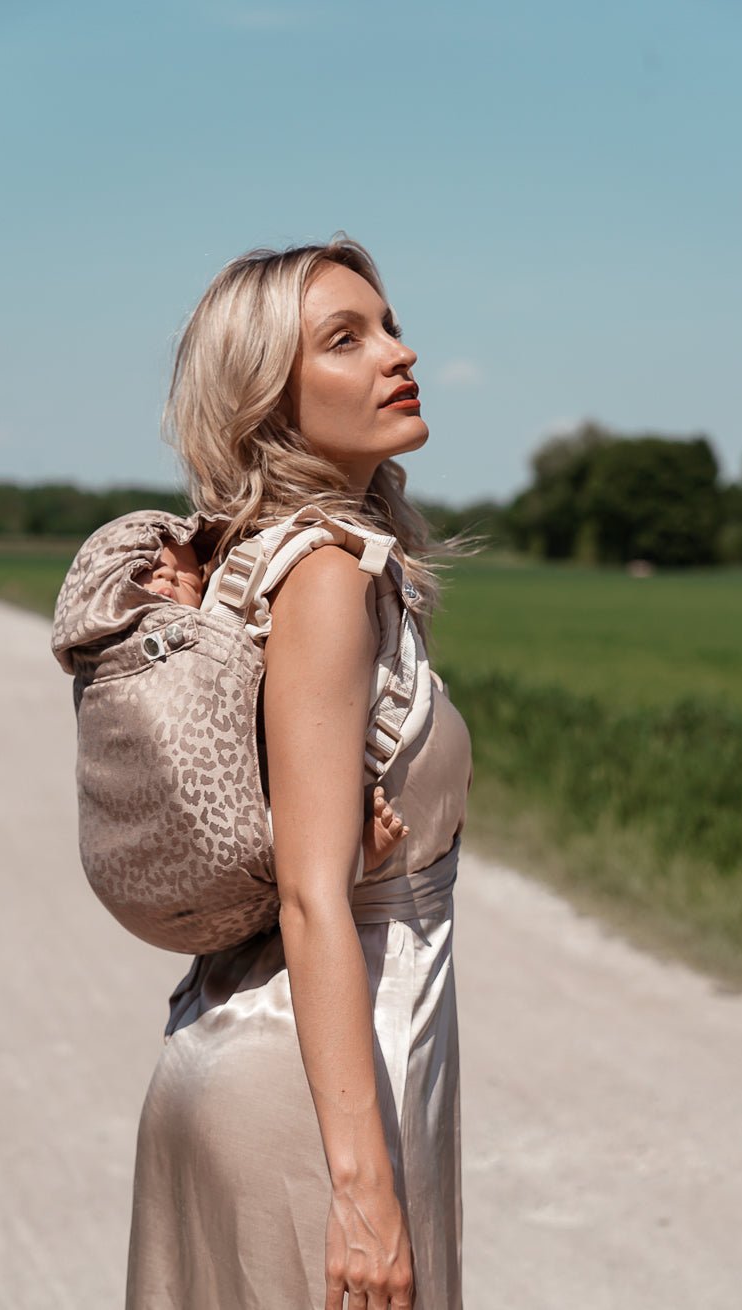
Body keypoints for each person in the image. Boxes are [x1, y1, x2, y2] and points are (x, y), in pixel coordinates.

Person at [125, 238, 473, 1309]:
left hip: (249, 1046)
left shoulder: (258, 562)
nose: (399, 354)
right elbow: (312, 896)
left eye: (388, 326)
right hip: (320, 1090)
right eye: (345, 339)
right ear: (268, 399)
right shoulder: (326, 576)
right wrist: (362, 1191)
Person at [136, 534, 412, 877]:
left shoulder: (210, 632)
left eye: (186, 577)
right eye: (150, 568)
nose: (168, 574)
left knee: (279, 827)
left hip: (221, 791)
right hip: (151, 794)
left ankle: (354, 861)